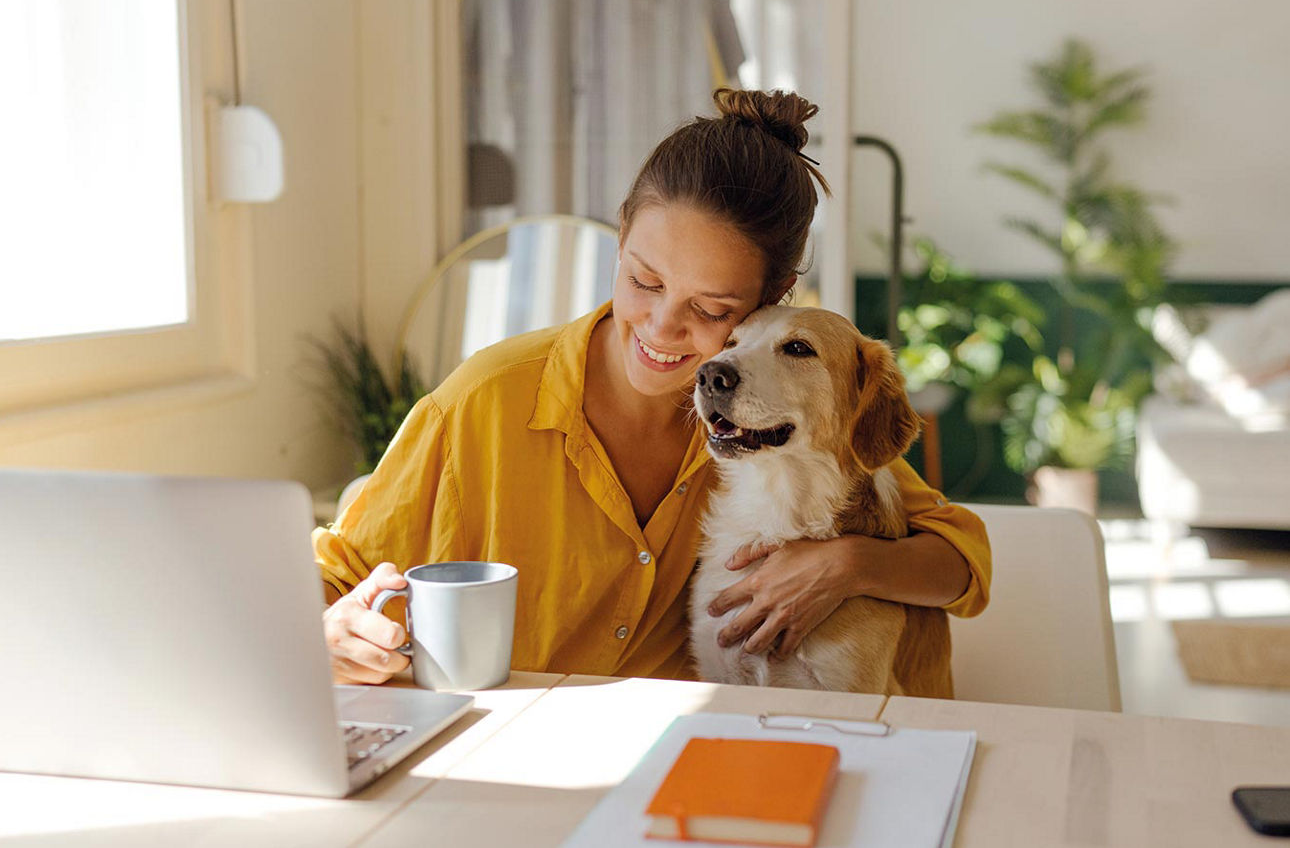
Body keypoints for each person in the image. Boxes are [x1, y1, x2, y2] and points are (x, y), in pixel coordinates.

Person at [315, 88, 990, 695]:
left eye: (712, 308)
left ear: (772, 299)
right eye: (644, 280)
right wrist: (332, 632)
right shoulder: (481, 403)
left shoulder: (766, 425)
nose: (663, 328)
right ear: (621, 239)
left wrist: (847, 565)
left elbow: (960, 560)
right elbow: (334, 582)